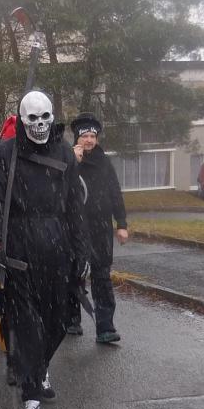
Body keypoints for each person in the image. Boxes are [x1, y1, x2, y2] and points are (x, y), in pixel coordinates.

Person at [0, 90, 88, 409]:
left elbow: (74, 204)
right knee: (27, 322)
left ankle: (40, 369)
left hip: (57, 245)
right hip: (19, 247)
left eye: (44, 118)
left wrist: (81, 249)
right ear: (22, 120)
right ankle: (30, 393)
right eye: (32, 118)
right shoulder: (5, 153)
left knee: (58, 319)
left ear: (52, 117)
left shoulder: (64, 153)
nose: (39, 125)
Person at [67, 113, 128, 344]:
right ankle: (72, 319)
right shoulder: (68, 159)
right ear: (77, 138)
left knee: (102, 277)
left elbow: (115, 192)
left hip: (101, 229)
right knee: (74, 274)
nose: (89, 140)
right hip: (75, 228)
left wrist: (121, 224)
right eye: (85, 136)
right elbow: (59, 189)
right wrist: (73, 163)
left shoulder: (104, 162)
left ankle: (105, 327)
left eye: (93, 136)